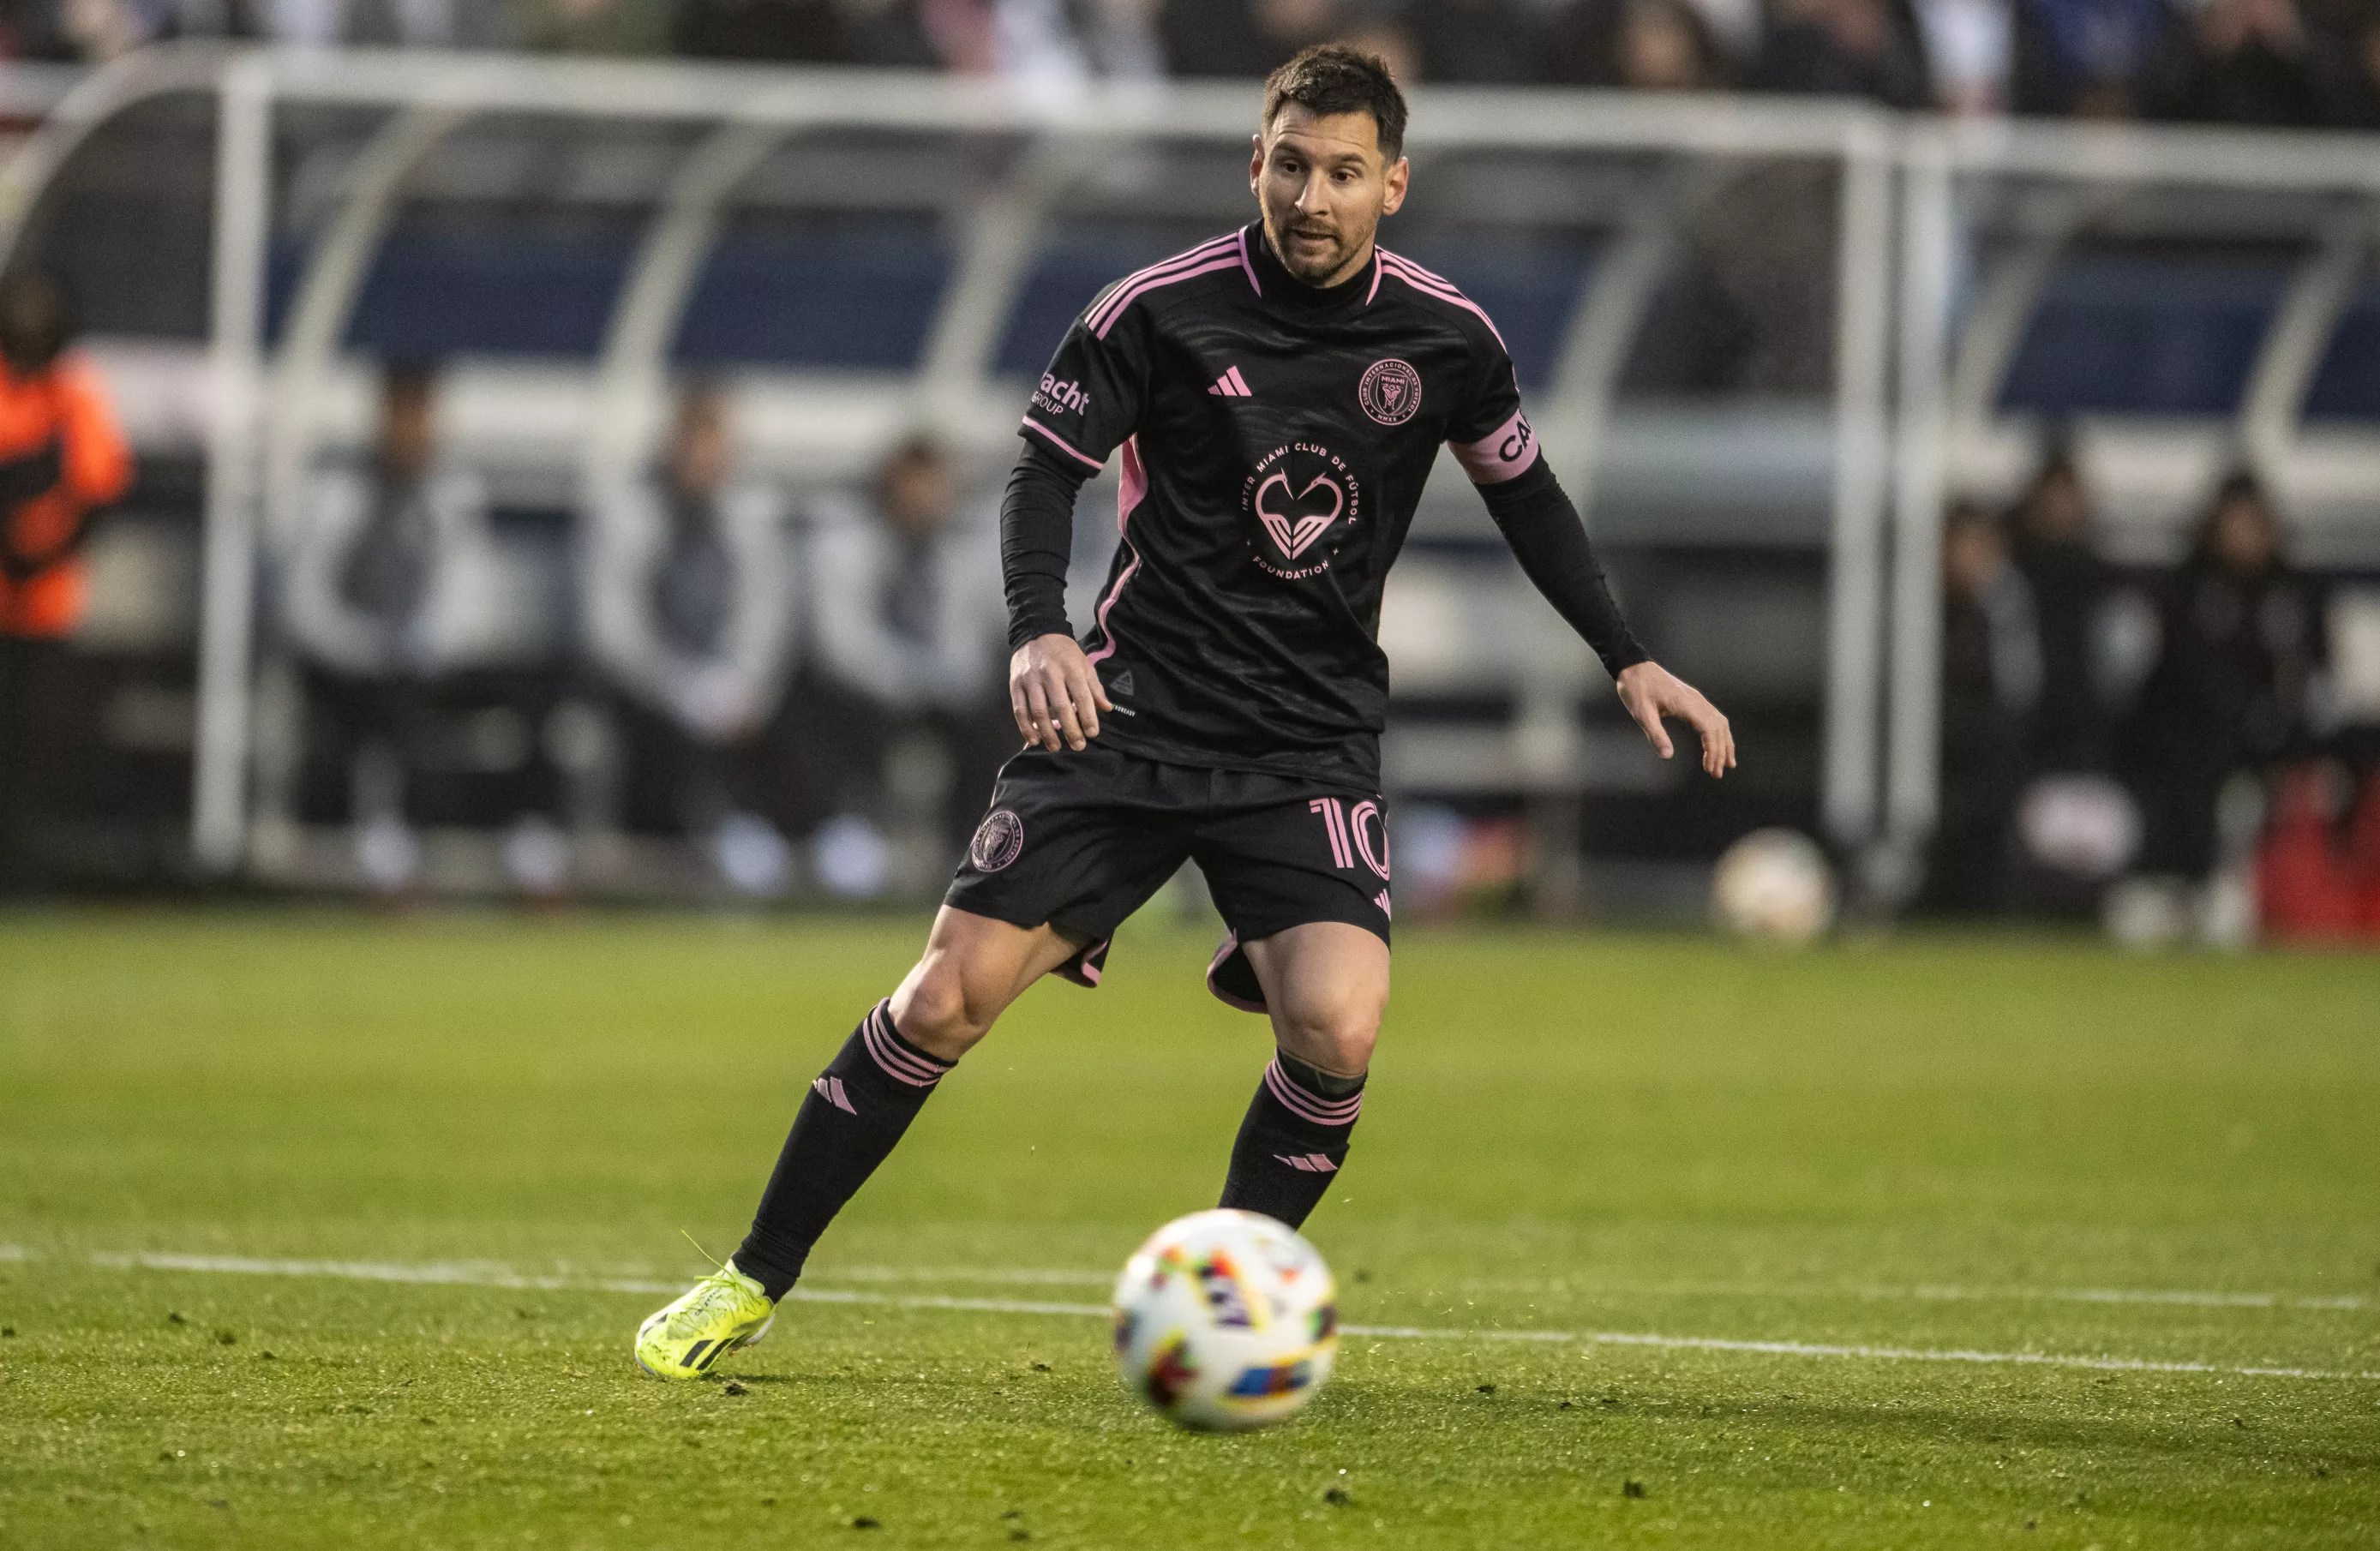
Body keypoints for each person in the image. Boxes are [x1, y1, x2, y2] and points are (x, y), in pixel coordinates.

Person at [632, 45, 1733, 1378]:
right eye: (1288, 165)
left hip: (1304, 742)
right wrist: (1041, 627)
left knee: (1336, 1028)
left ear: (1394, 182)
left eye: (1341, 173)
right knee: (942, 998)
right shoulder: (1160, 309)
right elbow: (1042, 472)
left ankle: (1222, 1308)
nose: (1310, 197)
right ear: (1252, 164)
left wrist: (1627, 656)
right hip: (1130, 721)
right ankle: (751, 1276)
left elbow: (1528, 498)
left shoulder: (1448, 338)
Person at [282, 364, 499, 892]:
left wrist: (427, 643)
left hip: (423, 665)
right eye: (402, 418)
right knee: (379, 708)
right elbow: (302, 601)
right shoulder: (337, 488)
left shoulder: (453, 493)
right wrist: (364, 646)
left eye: (421, 419)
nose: (412, 434)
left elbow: (469, 596)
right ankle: (385, 849)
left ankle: (424, 848)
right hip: (345, 663)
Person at [585, 381, 797, 895]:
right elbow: (613, 633)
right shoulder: (627, 513)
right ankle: (662, 860)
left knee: (799, 708)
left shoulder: (752, 517)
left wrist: (741, 685)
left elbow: (768, 618)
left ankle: (786, 842)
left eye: (715, 447)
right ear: (671, 446)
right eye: (693, 446)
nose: (704, 461)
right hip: (652, 689)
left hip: (732, 689)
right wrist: (684, 691)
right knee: (646, 727)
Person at [788, 435, 1012, 891]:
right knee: (816, 702)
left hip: (945, 694)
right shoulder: (845, 546)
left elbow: (974, 642)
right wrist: (913, 678)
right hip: (870, 693)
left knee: (1005, 716)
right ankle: (844, 837)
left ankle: (976, 848)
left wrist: (941, 680)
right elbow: (843, 646)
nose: (924, 499)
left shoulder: (965, 554)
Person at [2125, 470, 2329, 883]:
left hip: (2277, 741)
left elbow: (2316, 674)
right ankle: (2193, 879)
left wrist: (2281, 725)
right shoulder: (2185, 590)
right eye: (2233, 522)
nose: (2243, 535)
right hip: (2198, 744)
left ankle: (2293, 887)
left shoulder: (2296, 592)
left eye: (2253, 523)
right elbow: (2176, 678)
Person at [0, 270, 132, 891]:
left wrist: (42, 544)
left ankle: (27, 869)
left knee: (38, 744)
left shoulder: (74, 391)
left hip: (46, 603)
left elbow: (98, 488)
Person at [1926, 500, 2040, 910]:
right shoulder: (1922, 605)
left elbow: (2020, 690)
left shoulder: (2007, 606)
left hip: (1990, 752)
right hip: (1939, 752)